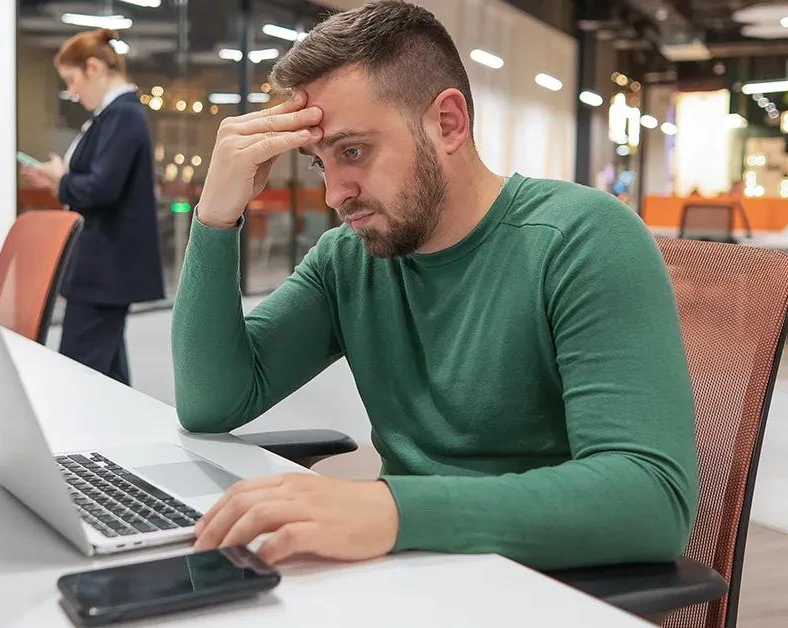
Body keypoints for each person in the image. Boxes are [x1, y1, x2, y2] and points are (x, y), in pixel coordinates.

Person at [173, 0, 699, 569]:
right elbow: (212, 403)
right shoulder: (349, 258)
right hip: (405, 566)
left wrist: (394, 510)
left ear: (447, 123)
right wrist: (216, 216)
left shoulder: (582, 238)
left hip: (543, 582)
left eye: (354, 151)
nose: (334, 194)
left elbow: (651, 499)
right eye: (320, 163)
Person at [23, 28, 164, 385]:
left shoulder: (122, 115)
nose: (72, 91)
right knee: (109, 375)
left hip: (106, 268)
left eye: (72, 80)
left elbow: (102, 188)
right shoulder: (112, 115)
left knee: (79, 373)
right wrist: (59, 181)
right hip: (103, 266)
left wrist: (61, 181)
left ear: (94, 68)